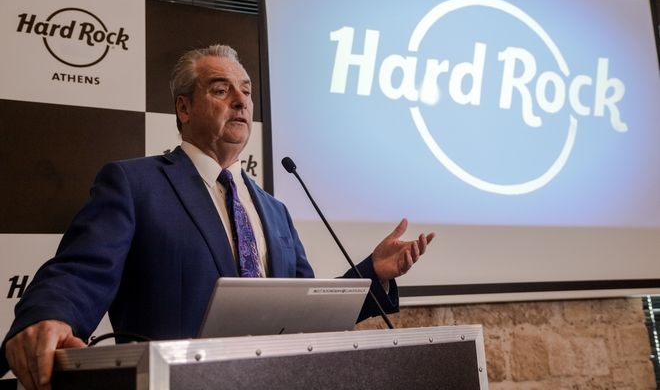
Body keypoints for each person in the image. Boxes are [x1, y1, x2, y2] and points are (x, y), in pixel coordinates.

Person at [1, 44, 434, 390]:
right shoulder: (135, 185)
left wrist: (372, 272)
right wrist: (47, 317)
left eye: (246, 90)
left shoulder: (275, 211)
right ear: (184, 109)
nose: (241, 100)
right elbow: (78, 272)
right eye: (221, 90)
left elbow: (307, 311)